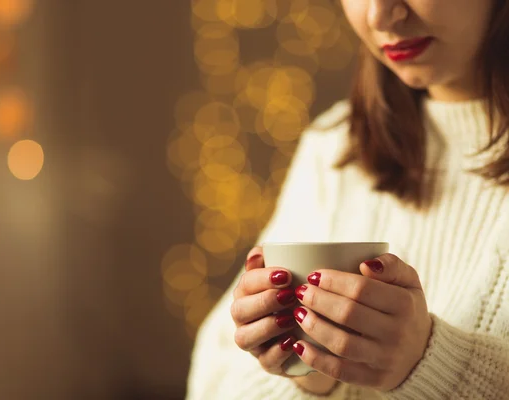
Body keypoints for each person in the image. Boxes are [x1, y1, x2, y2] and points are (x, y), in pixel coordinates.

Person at [186, 0, 509, 399]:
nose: (379, 15)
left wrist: (435, 364)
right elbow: (212, 380)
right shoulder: (336, 148)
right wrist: (313, 373)